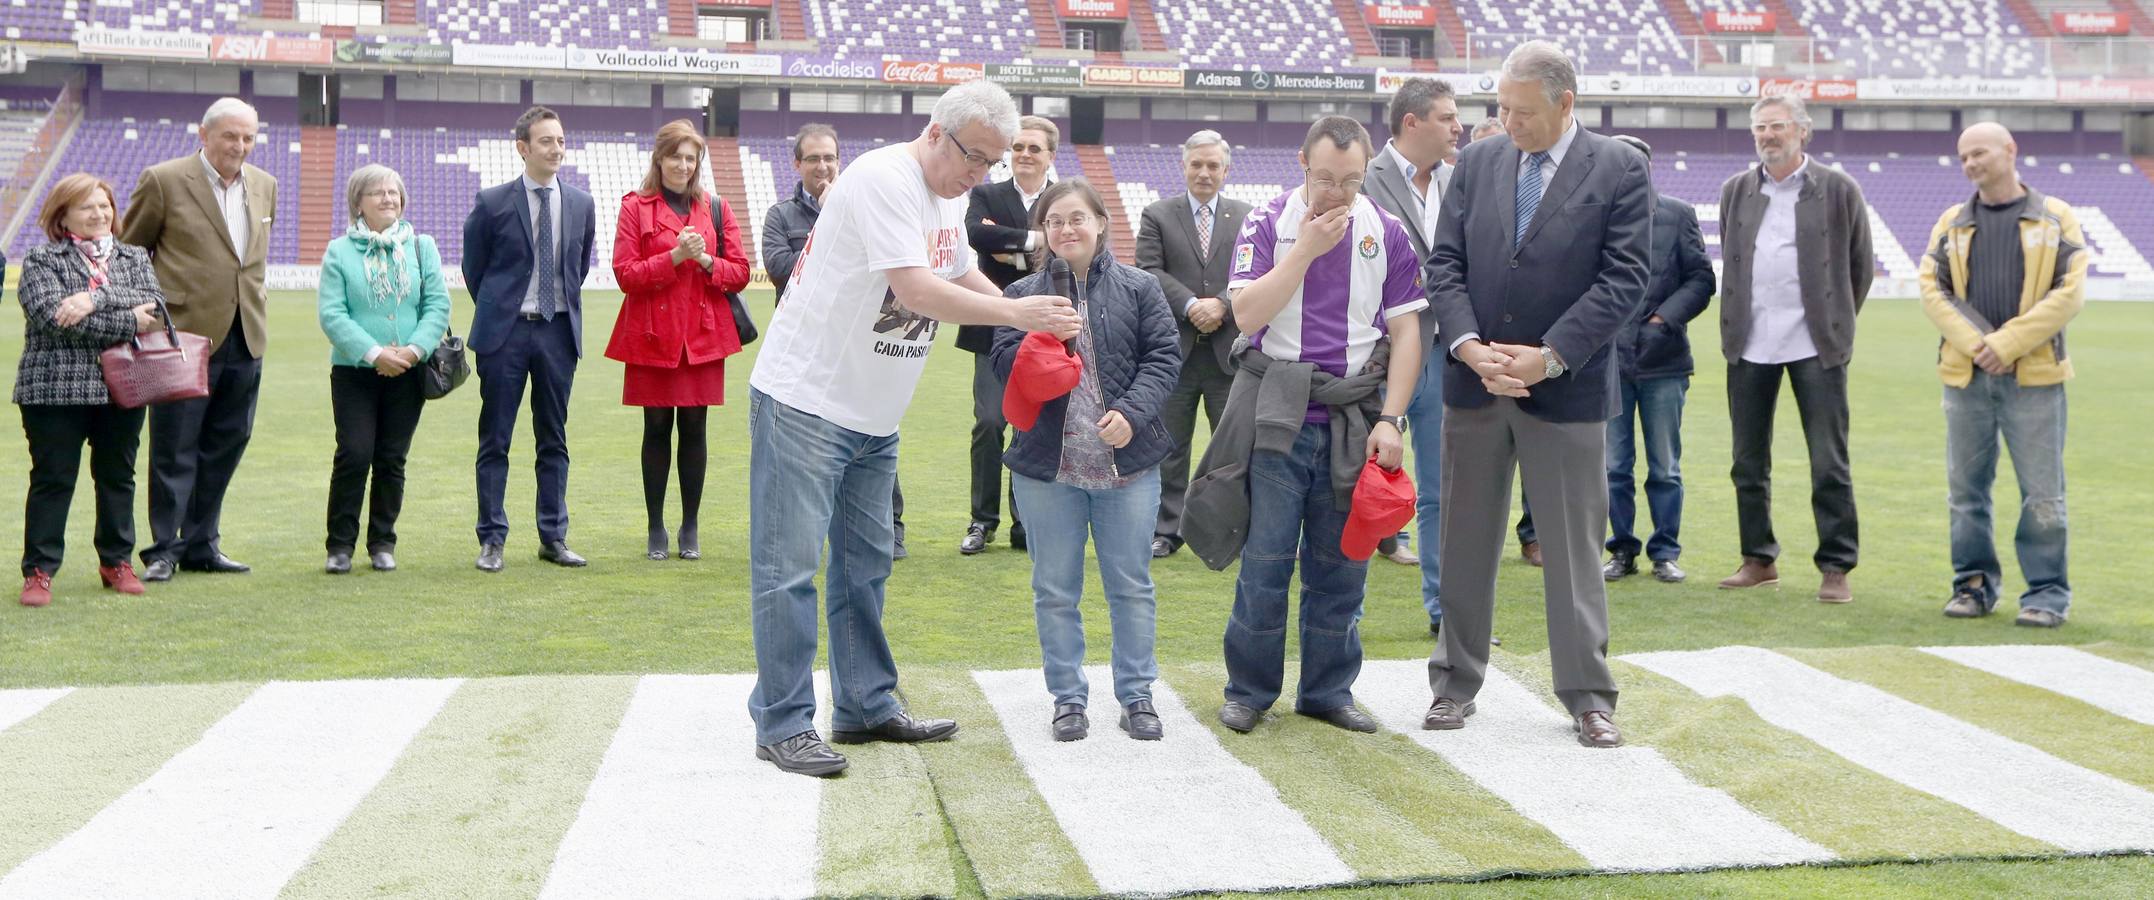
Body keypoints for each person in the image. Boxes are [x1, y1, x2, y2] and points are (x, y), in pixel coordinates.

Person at [744, 80, 1081, 777]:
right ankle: (781, 723)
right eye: (975, 157)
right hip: (807, 401)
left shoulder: (946, 197)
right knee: (790, 573)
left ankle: (865, 703)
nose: (980, 174)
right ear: (937, 132)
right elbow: (917, 290)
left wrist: (1025, 308)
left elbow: (961, 271)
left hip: (873, 413)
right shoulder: (882, 180)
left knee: (865, 567)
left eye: (991, 163)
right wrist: (1022, 318)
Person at [1421, 41, 1651, 749]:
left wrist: (1547, 358)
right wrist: (1467, 345)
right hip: (1476, 385)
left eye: (1523, 112)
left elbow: (1624, 279)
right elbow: (1447, 264)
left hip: (1566, 393)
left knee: (1574, 554)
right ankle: (1454, 684)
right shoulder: (1480, 163)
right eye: (1502, 109)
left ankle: (1588, 697)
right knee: (1465, 543)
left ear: (1566, 103)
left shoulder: (1618, 168)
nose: (1507, 123)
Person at [1185, 115, 1425, 736]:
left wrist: (1392, 419)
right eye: (1324, 178)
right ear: (1302, 164)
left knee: (1342, 562)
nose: (1336, 193)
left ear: (1366, 172)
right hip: (1278, 413)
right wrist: (1306, 251)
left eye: (1350, 180)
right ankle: (1249, 690)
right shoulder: (1267, 224)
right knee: (1265, 560)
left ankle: (1327, 691)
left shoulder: (1388, 232)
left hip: (1355, 415)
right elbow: (1245, 314)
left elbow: (1406, 332)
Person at [992, 179, 1181, 741]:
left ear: (1101, 223)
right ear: (1043, 231)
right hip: (1049, 469)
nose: (1066, 229)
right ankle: (1068, 698)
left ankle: (1138, 696)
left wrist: (1132, 411)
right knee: (1054, 588)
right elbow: (1002, 363)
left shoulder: (1140, 287)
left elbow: (1164, 357)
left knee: (1130, 586)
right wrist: (1037, 340)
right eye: (1054, 221)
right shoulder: (1023, 293)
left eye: (1077, 218)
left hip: (1128, 466)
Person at [1919, 122, 2084, 628]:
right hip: (1966, 379)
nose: (1971, 164)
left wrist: (2007, 343)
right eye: (1964, 157)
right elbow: (1932, 289)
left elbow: (2069, 293)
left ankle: (2046, 594)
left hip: (2035, 380)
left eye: (1980, 153)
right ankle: (1972, 585)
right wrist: (1980, 346)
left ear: (2010, 151)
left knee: (2042, 492)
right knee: (1966, 491)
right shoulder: (1951, 222)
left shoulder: (2056, 218)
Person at [1715, 94, 1874, 603]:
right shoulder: (1736, 190)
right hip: (1750, 342)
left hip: (1815, 346)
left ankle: (1835, 565)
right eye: (1759, 128)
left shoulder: (1838, 189)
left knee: (1828, 459)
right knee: (1747, 461)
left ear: (1803, 131)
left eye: (1777, 126)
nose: (1768, 136)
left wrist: (1835, 323)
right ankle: (1757, 559)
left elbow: (1859, 267)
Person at [118, 97, 276, 582]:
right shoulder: (164, 180)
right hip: (180, 337)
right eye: (230, 135)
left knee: (228, 441)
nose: (240, 146)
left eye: (248, 137)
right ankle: (164, 548)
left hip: (245, 334)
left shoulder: (264, 185)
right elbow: (130, 252)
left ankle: (203, 542)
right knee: (175, 446)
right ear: (203, 135)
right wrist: (146, 309)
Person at [14, 174, 165, 607]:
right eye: (87, 207)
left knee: (118, 478)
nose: (100, 214)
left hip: (125, 387)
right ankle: (39, 571)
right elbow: (51, 318)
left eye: (105, 205)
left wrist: (93, 300)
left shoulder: (134, 255)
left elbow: (155, 307)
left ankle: (116, 561)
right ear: (63, 217)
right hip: (54, 390)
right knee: (53, 480)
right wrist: (126, 317)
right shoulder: (42, 259)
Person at [762, 123, 909, 559]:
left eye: (830, 158)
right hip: (806, 354)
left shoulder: (867, 206)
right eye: (813, 159)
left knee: (874, 440)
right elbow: (782, 268)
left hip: (859, 348)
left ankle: (891, 531)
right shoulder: (779, 215)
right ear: (797, 164)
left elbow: (879, 267)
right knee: (812, 455)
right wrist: (830, 220)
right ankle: (809, 541)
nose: (823, 166)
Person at [610, 119, 752, 563]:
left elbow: (741, 272)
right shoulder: (635, 206)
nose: (684, 166)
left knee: (695, 428)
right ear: (660, 158)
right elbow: (624, 274)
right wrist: (674, 257)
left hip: (703, 336)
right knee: (655, 428)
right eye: (676, 156)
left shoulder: (715, 207)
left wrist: (707, 260)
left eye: (691, 159)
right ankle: (656, 525)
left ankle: (690, 525)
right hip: (654, 334)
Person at [462, 106, 597, 573]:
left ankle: (553, 537)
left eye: (560, 140)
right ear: (523, 148)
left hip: (558, 333)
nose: (556, 149)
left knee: (553, 439)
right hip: (506, 334)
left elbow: (577, 266)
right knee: (495, 439)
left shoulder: (581, 203)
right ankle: (492, 540)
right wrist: (504, 311)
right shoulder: (492, 201)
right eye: (546, 141)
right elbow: (474, 270)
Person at [1363, 76, 1464, 627]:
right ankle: (1339, 616)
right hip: (1380, 358)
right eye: (1448, 117)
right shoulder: (1366, 178)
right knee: (1353, 485)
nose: (1458, 127)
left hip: (1449, 356)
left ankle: (1445, 613)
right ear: (1412, 122)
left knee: (1443, 490)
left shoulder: (1463, 179)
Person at [316, 165, 452, 575]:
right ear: (358, 202)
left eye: (393, 192)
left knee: (392, 458)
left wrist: (411, 351)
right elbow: (332, 314)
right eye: (377, 193)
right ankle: (340, 545)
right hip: (355, 372)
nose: (388, 199)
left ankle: (382, 542)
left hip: (410, 370)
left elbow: (437, 305)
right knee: (355, 454)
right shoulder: (339, 251)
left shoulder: (421, 246)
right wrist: (375, 353)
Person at [1600, 134, 1714, 584]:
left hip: (1664, 360)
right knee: (1614, 465)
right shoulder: (1595, 218)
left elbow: (1702, 279)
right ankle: (1622, 549)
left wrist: (1663, 319)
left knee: (1665, 464)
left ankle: (1665, 551)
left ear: (1648, 168)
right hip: (1609, 360)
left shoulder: (1678, 215)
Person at [1136, 129, 1249, 560]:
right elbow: (1148, 271)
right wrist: (1189, 305)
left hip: (1229, 353)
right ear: (1183, 166)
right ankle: (1167, 530)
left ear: (1226, 170)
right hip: (1173, 354)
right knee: (1170, 446)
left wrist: (1220, 304)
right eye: (1196, 164)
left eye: (1213, 165)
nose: (1204, 172)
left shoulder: (1247, 217)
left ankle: (1225, 530)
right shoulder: (1158, 214)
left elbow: (1255, 273)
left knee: (1231, 449)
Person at [958, 115, 1061, 555]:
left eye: (1034, 148)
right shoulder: (986, 193)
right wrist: (1037, 241)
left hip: (1045, 326)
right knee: (989, 422)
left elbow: (1067, 244)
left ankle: (1027, 522)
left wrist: (1009, 246)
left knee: (1032, 426)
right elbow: (976, 235)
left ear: (1050, 156)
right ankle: (983, 521)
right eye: (1018, 147)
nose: (1024, 155)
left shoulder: (1062, 197)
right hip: (991, 323)